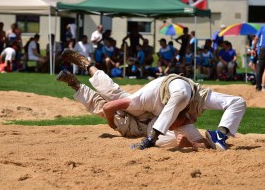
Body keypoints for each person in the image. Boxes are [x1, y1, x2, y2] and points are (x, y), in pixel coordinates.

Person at [57, 49, 211, 149]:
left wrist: (188, 144)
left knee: (106, 111)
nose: (188, 122)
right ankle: (88, 65)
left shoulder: (184, 126)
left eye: (186, 120)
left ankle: (75, 85)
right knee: (113, 94)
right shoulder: (171, 109)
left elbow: (201, 144)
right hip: (147, 112)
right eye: (184, 119)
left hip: (138, 130)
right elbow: (109, 108)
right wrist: (110, 123)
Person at [101, 63, 246, 151]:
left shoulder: (139, 100)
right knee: (182, 100)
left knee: (238, 102)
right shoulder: (180, 120)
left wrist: (111, 124)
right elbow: (198, 139)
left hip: (184, 89)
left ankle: (220, 134)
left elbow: (108, 107)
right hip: (183, 96)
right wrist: (192, 143)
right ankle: (151, 139)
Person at [251, 25, 265, 91]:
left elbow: (256, 38)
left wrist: (253, 48)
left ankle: (258, 87)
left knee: (260, 69)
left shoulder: (263, 27)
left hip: (262, 50)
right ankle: (264, 86)